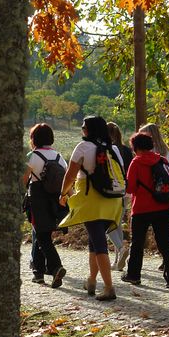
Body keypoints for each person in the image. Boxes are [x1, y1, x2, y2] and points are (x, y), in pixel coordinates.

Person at [58, 115, 125, 301]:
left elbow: (70, 176)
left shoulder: (83, 147)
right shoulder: (113, 149)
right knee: (94, 241)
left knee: (99, 243)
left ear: (89, 130)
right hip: (112, 200)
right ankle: (92, 281)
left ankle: (109, 288)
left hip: (91, 199)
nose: (81, 129)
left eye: (83, 126)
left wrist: (63, 194)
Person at [123, 132, 169, 288]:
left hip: (142, 208)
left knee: (138, 243)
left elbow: (131, 187)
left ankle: (133, 275)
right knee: (166, 243)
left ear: (135, 148)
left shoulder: (136, 162)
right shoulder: (161, 160)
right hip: (164, 207)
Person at [23, 123, 67, 288]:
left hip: (38, 199)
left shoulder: (32, 156)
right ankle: (39, 272)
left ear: (34, 139)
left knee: (42, 237)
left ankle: (56, 267)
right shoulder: (58, 156)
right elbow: (67, 178)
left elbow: (23, 179)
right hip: (55, 199)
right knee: (42, 234)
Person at [106, 122, 132, 271]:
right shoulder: (127, 151)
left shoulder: (108, 150)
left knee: (109, 225)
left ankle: (121, 249)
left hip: (112, 191)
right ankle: (117, 261)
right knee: (117, 224)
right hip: (126, 191)